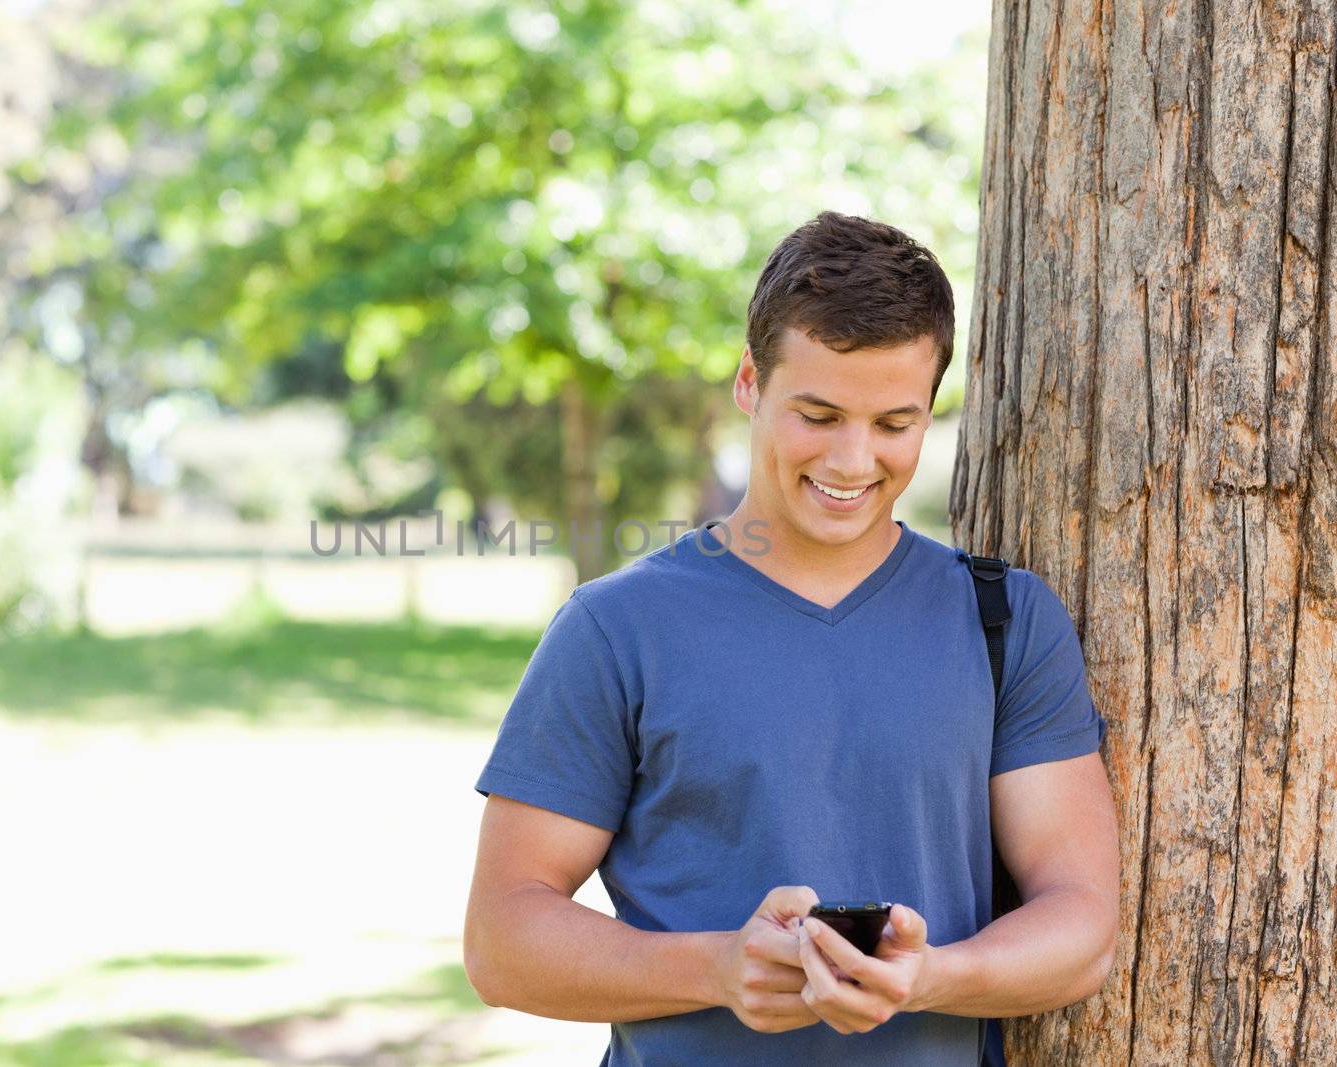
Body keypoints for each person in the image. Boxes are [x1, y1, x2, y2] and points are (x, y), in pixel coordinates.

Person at [461, 211, 1119, 1065]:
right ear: (749, 382)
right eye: (818, 413)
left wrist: (928, 978)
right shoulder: (616, 628)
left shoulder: (1006, 620)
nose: (852, 460)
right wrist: (718, 968)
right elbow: (502, 937)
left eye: (894, 423)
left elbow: (1081, 924)